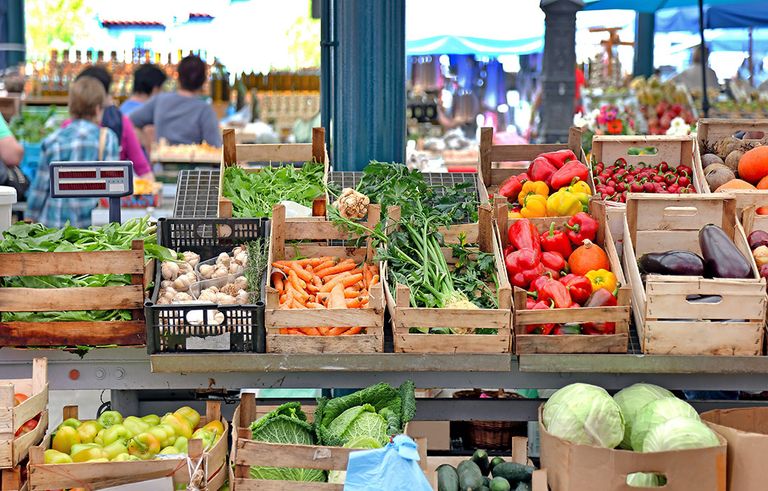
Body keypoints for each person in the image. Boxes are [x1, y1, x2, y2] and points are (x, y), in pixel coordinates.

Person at [26, 77, 119, 228]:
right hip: (91, 234)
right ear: (97, 109)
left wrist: (29, 220)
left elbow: (39, 190)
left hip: (53, 230)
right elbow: (113, 190)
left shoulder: (52, 141)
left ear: (71, 107)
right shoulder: (108, 139)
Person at [64, 66, 154, 180]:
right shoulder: (113, 135)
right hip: (104, 195)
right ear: (103, 98)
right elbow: (142, 170)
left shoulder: (63, 131)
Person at [130, 55, 222, 147]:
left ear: (178, 76)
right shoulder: (205, 110)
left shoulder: (160, 100)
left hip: (162, 160)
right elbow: (215, 146)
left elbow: (129, 122)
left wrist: (147, 148)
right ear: (203, 80)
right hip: (192, 160)